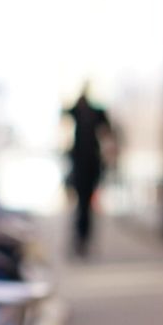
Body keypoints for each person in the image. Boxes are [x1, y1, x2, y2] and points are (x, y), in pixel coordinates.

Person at [66, 89, 113, 258]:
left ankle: (83, 239)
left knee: (85, 206)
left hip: (90, 165)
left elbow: (108, 130)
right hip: (81, 166)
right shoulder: (77, 111)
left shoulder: (97, 113)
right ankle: (80, 238)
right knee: (82, 206)